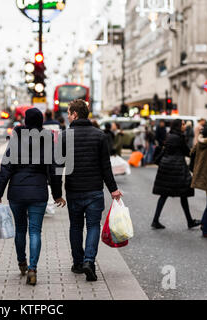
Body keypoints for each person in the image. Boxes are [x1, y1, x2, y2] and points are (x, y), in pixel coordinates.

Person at [0, 108, 65, 286]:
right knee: (35, 231)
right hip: (38, 192)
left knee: (20, 230)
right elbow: (54, 170)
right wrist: (57, 195)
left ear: (25, 121)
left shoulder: (16, 139)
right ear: (41, 122)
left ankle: (22, 262)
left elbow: (6, 167)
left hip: (17, 192)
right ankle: (33, 268)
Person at [63, 99, 122, 282]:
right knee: (93, 226)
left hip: (73, 189)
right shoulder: (99, 135)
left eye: (69, 112)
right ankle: (89, 261)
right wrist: (113, 189)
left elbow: (57, 167)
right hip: (94, 190)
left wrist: (56, 192)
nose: (67, 115)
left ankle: (78, 263)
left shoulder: (65, 136)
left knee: (76, 226)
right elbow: (106, 166)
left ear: (75, 114)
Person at [151, 119, 201, 230]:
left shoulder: (170, 136)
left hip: (166, 166)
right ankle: (189, 221)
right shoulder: (179, 137)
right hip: (177, 168)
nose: (184, 126)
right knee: (183, 193)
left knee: (164, 194)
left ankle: (156, 220)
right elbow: (187, 152)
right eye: (183, 124)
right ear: (179, 126)